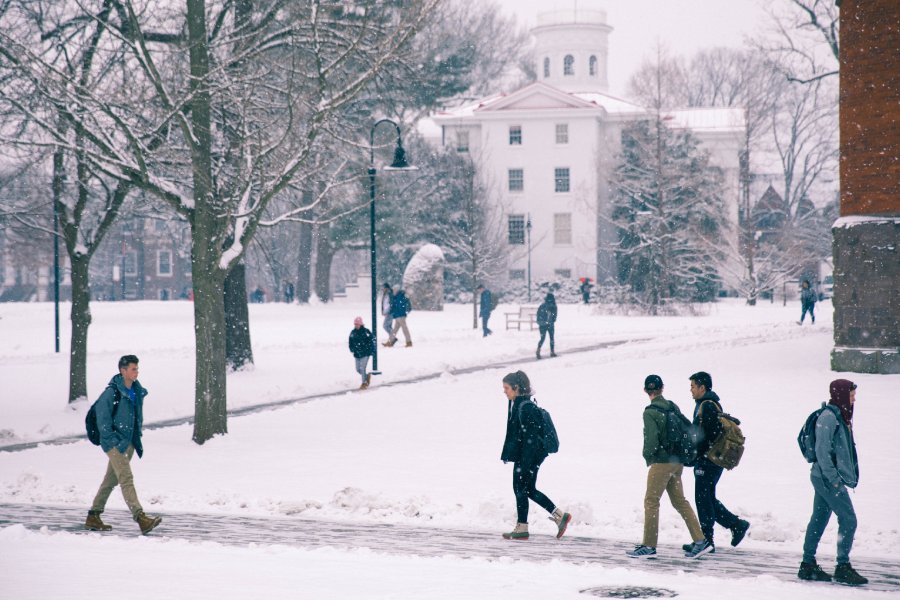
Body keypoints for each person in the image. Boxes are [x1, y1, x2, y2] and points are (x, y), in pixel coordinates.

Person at [628, 375, 708, 558]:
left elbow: (651, 440)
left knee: (651, 501)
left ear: (645, 391)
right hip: (676, 462)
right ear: (662, 388)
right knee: (680, 501)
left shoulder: (649, 412)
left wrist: (649, 457)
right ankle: (700, 540)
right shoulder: (672, 406)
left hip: (661, 463)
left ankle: (649, 546)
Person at [798, 379, 867, 585]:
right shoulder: (829, 418)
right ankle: (842, 567)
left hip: (824, 477)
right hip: (827, 479)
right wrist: (835, 480)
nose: (854, 398)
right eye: (851, 394)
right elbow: (822, 452)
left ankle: (807, 565)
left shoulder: (839, 416)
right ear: (841, 394)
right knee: (848, 519)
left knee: (819, 519)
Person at [84, 355, 162, 535]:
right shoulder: (111, 393)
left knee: (110, 480)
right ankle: (140, 517)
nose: (137, 372)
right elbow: (103, 422)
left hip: (129, 442)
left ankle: (93, 515)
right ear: (123, 370)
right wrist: (113, 442)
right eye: (133, 369)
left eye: (137, 369)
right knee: (126, 477)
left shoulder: (136, 390)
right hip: (115, 443)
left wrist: (135, 437)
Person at [499, 370, 571, 540]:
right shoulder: (521, 404)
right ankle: (559, 516)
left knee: (520, 488)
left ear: (516, 388)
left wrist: (525, 462)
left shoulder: (525, 407)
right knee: (526, 489)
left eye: (507, 388)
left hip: (529, 455)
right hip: (528, 455)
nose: (504, 391)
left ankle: (522, 527)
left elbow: (530, 438)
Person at [687, 371, 749, 556]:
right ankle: (734, 526)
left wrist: (700, 454)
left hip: (708, 461)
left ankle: (708, 540)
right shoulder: (709, 404)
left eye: (692, 386)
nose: (690, 390)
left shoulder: (707, 406)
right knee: (707, 498)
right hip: (712, 460)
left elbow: (709, 434)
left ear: (702, 387)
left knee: (703, 499)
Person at [348, 316, 374, 390]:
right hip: (357, 354)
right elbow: (350, 342)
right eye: (355, 324)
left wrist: (369, 350)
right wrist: (352, 349)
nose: (356, 326)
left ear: (361, 324)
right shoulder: (353, 333)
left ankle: (364, 383)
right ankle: (366, 377)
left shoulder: (366, 332)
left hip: (365, 353)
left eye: (357, 324)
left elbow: (371, 341)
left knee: (362, 368)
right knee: (358, 369)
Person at [535, 293, 557, 359]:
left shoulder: (542, 305)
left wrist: (541, 321)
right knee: (551, 338)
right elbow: (554, 317)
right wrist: (551, 320)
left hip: (542, 324)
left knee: (542, 338)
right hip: (550, 324)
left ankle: (538, 350)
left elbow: (538, 314)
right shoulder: (553, 306)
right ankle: (552, 352)